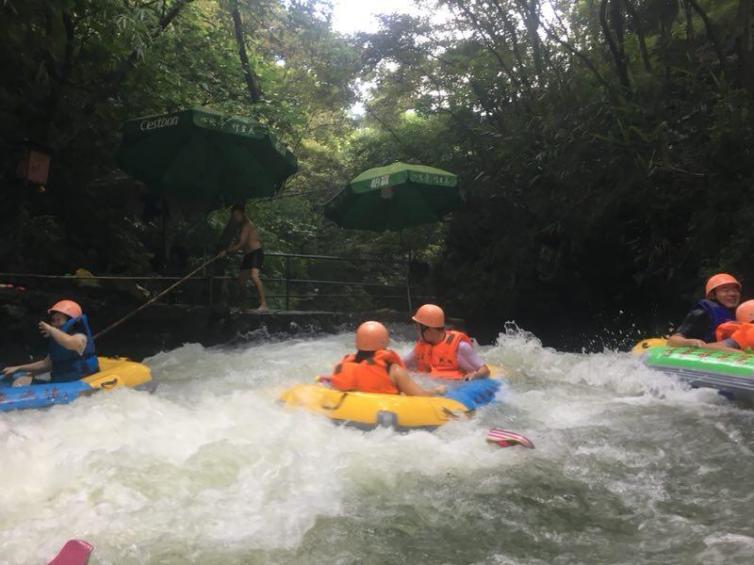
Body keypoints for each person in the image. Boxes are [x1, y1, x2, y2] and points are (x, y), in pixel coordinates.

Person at [328, 321, 446, 396]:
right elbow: (420, 397)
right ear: (384, 342)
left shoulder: (343, 365)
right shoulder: (394, 370)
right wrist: (436, 391)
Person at [2, 300, 99, 386]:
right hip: (60, 383)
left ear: (71, 321)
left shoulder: (80, 337)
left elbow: (69, 343)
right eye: (53, 320)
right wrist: (19, 368)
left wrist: (50, 329)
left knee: (20, 382)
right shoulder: (57, 340)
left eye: (59, 320)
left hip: (78, 383)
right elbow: (47, 364)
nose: (55, 324)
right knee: (22, 380)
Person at [403, 304, 490, 381]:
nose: (416, 331)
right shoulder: (422, 346)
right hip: (435, 386)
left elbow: (485, 370)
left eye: (418, 328)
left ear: (428, 329)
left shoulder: (460, 347)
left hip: (455, 387)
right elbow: (403, 363)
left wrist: (474, 376)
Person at [667, 273, 741, 348]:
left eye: (735, 290)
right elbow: (673, 340)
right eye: (725, 290)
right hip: (708, 353)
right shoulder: (702, 313)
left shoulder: (742, 313)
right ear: (712, 295)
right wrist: (691, 343)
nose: (732, 294)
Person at [220, 204, 267, 312]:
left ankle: (264, 304)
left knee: (254, 276)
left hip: (256, 253)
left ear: (242, 214)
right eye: (234, 216)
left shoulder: (247, 225)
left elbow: (241, 244)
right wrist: (226, 250)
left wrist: (227, 251)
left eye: (237, 215)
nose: (236, 218)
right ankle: (244, 304)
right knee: (240, 280)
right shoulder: (240, 227)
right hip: (248, 256)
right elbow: (238, 243)